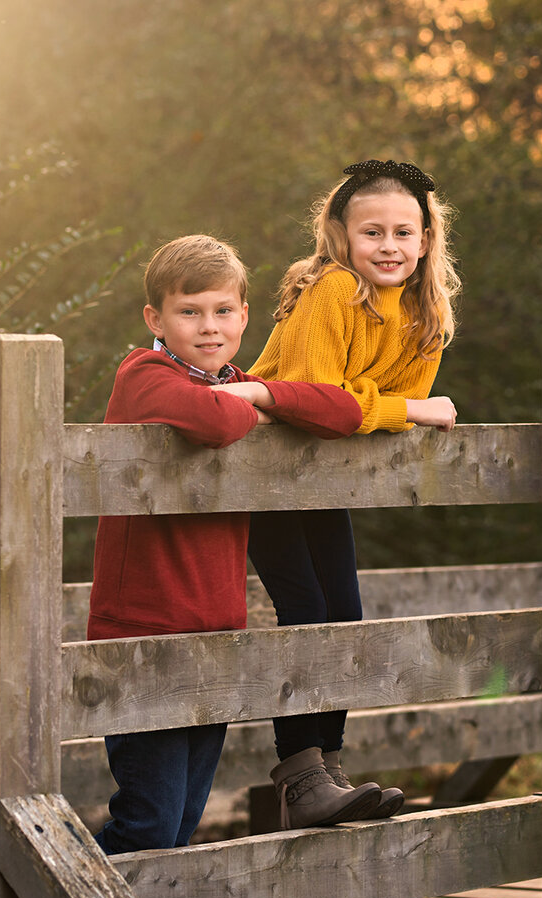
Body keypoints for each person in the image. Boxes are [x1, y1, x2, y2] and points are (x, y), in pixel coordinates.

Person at [86, 234, 382, 857]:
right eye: (189, 312)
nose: (209, 326)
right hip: (144, 634)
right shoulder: (143, 374)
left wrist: (258, 393)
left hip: (218, 632)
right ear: (156, 320)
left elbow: (342, 412)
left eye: (223, 311)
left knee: (182, 826)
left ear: (246, 315)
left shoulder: (235, 382)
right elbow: (215, 421)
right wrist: (257, 411)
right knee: (148, 824)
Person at [212, 159, 461, 829]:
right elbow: (322, 402)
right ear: (341, 235)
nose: (388, 246)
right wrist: (409, 410)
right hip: (263, 462)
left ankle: (326, 766)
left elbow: (383, 407)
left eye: (404, 232)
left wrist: (401, 408)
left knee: (343, 614)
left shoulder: (424, 311)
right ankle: (300, 778)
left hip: (322, 474)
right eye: (372, 231)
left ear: (427, 239)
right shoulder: (334, 289)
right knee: (307, 607)